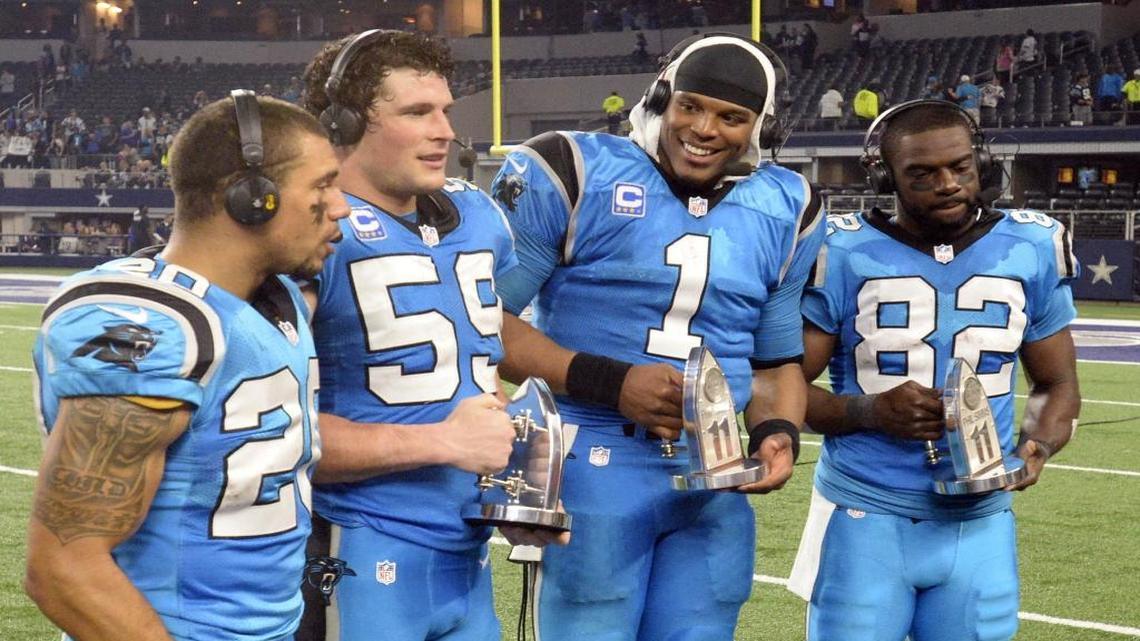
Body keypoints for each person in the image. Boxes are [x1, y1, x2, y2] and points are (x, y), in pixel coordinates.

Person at [490, 33, 825, 641]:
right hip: (591, 457)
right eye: (690, 106)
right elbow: (483, 320)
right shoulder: (572, 168)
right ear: (661, 99)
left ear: (760, 128)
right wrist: (612, 381)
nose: (704, 128)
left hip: (713, 474)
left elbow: (776, 361)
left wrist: (777, 433)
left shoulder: (790, 204)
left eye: (731, 117)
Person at [25, 93, 350, 640]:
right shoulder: (153, 325)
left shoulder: (276, 299)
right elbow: (64, 567)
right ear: (252, 199)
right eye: (321, 185)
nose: (340, 205)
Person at [297, 30, 565, 641]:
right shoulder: (310, 235)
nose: (445, 129)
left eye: (444, 108)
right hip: (357, 544)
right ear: (342, 123)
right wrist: (443, 443)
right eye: (417, 112)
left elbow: (475, 376)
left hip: (464, 551)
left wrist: (507, 494)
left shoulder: (476, 218)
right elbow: (276, 435)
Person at [787, 99, 1081, 641]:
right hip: (864, 508)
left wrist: (1037, 445)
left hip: (981, 518)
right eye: (922, 173)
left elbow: (1057, 383)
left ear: (982, 165)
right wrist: (868, 410)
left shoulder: (1032, 244)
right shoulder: (842, 249)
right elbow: (784, 391)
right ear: (885, 177)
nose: (947, 184)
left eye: (960, 167)